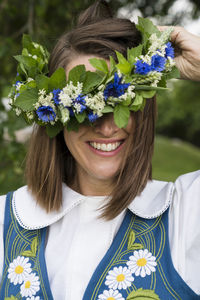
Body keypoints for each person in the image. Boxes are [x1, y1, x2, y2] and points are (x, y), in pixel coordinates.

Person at [0, 1, 200, 299]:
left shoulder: (185, 215)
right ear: (55, 114)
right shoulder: (5, 222)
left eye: (121, 103)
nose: (107, 128)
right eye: (88, 108)